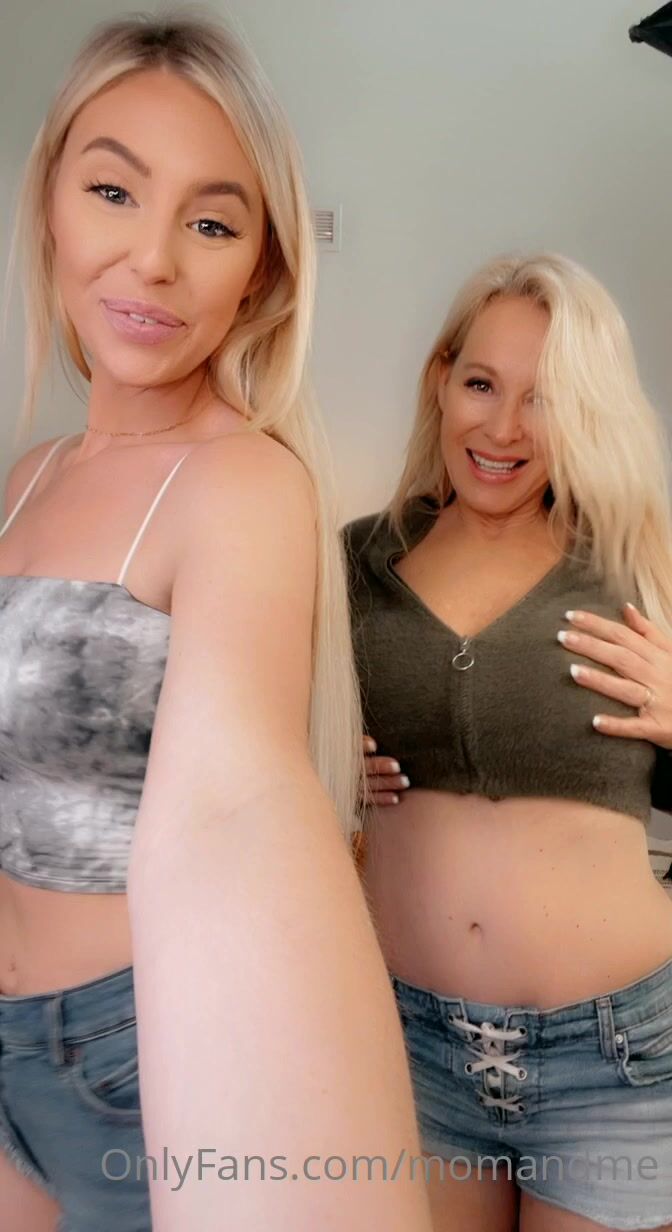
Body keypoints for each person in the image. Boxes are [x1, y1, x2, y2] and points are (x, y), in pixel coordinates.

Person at [0, 13, 434, 1232]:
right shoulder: (28, 478)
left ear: (263, 271)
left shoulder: (243, 484)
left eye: (211, 222)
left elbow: (236, 801)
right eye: (113, 192)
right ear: (51, 205)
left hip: (133, 1057)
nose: (151, 260)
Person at [343, 252, 672, 1232]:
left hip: (618, 1060)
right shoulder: (355, 561)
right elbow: (255, 763)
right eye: (482, 384)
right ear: (441, 380)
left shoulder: (639, 565)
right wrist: (317, 764)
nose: (503, 429)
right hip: (413, 1048)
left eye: (545, 399)